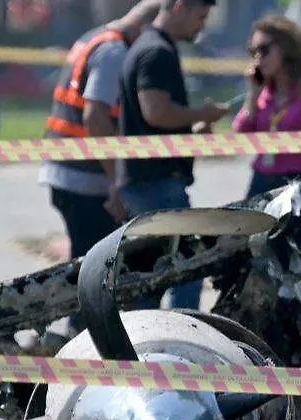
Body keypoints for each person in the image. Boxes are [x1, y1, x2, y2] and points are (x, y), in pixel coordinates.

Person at [116, 0, 230, 310]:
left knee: (151, 272)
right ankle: (183, 330)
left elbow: (151, 125)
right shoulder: (157, 52)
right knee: (187, 268)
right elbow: (155, 112)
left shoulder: (149, 45)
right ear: (180, 6)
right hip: (156, 182)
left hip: (146, 179)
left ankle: (142, 341)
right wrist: (200, 112)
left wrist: (190, 135)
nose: (202, 25)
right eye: (201, 16)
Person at [38, 0, 161, 288]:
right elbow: (95, 117)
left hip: (67, 172)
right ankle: (81, 329)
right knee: (96, 274)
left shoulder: (94, 37)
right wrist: (116, 181)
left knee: (88, 266)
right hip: (84, 179)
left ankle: (73, 328)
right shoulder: (115, 53)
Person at [233, 15, 301, 196]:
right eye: (253, 52)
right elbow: (239, 137)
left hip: (300, 184)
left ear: (287, 49)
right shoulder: (262, 97)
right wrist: (252, 95)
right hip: (261, 181)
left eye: (264, 50)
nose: (258, 59)